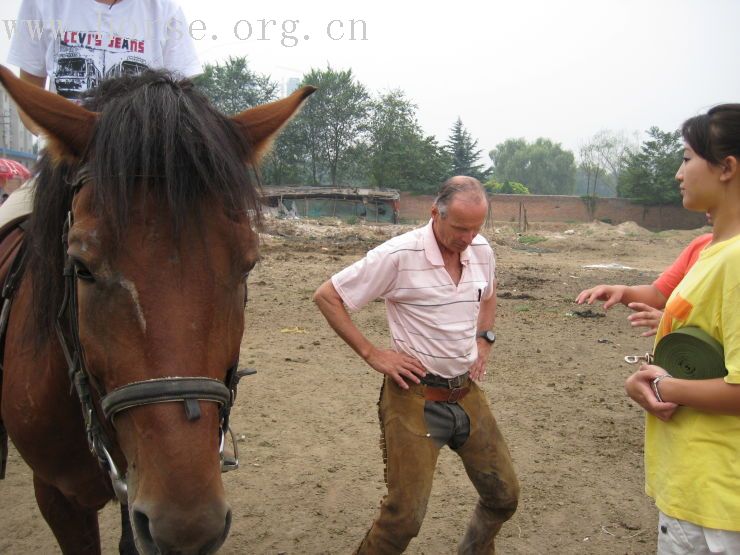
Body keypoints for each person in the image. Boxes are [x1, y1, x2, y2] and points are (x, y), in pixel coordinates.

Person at [313, 176, 519, 554]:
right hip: (414, 398)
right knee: (403, 519)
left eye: (476, 228)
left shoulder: (481, 249)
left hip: (466, 393)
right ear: (434, 213)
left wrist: (484, 338)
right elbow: (328, 296)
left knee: (504, 496)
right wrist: (373, 353)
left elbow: (488, 295)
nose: (468, 238)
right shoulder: (398, 256)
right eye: (460, 228)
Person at [623, 104, 740, 553]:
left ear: (727, 167)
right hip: (697, 488)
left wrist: (666, 387)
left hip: (720, 504)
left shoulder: (734, 261)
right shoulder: (711, 254)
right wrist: (649, 379)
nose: (679, 173)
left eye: (688, 158)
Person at [0, 0, 201, 227]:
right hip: (62, 164)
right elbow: (30, 95)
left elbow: (180, 104)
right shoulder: (42, 4)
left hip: (141, 172)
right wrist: (60, 138)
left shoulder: (165, 11)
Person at [575, 232, 713, 336]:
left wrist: (674, 324)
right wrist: (622, 291)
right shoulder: (701, 245)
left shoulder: (732, 256)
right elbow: (659, 293)